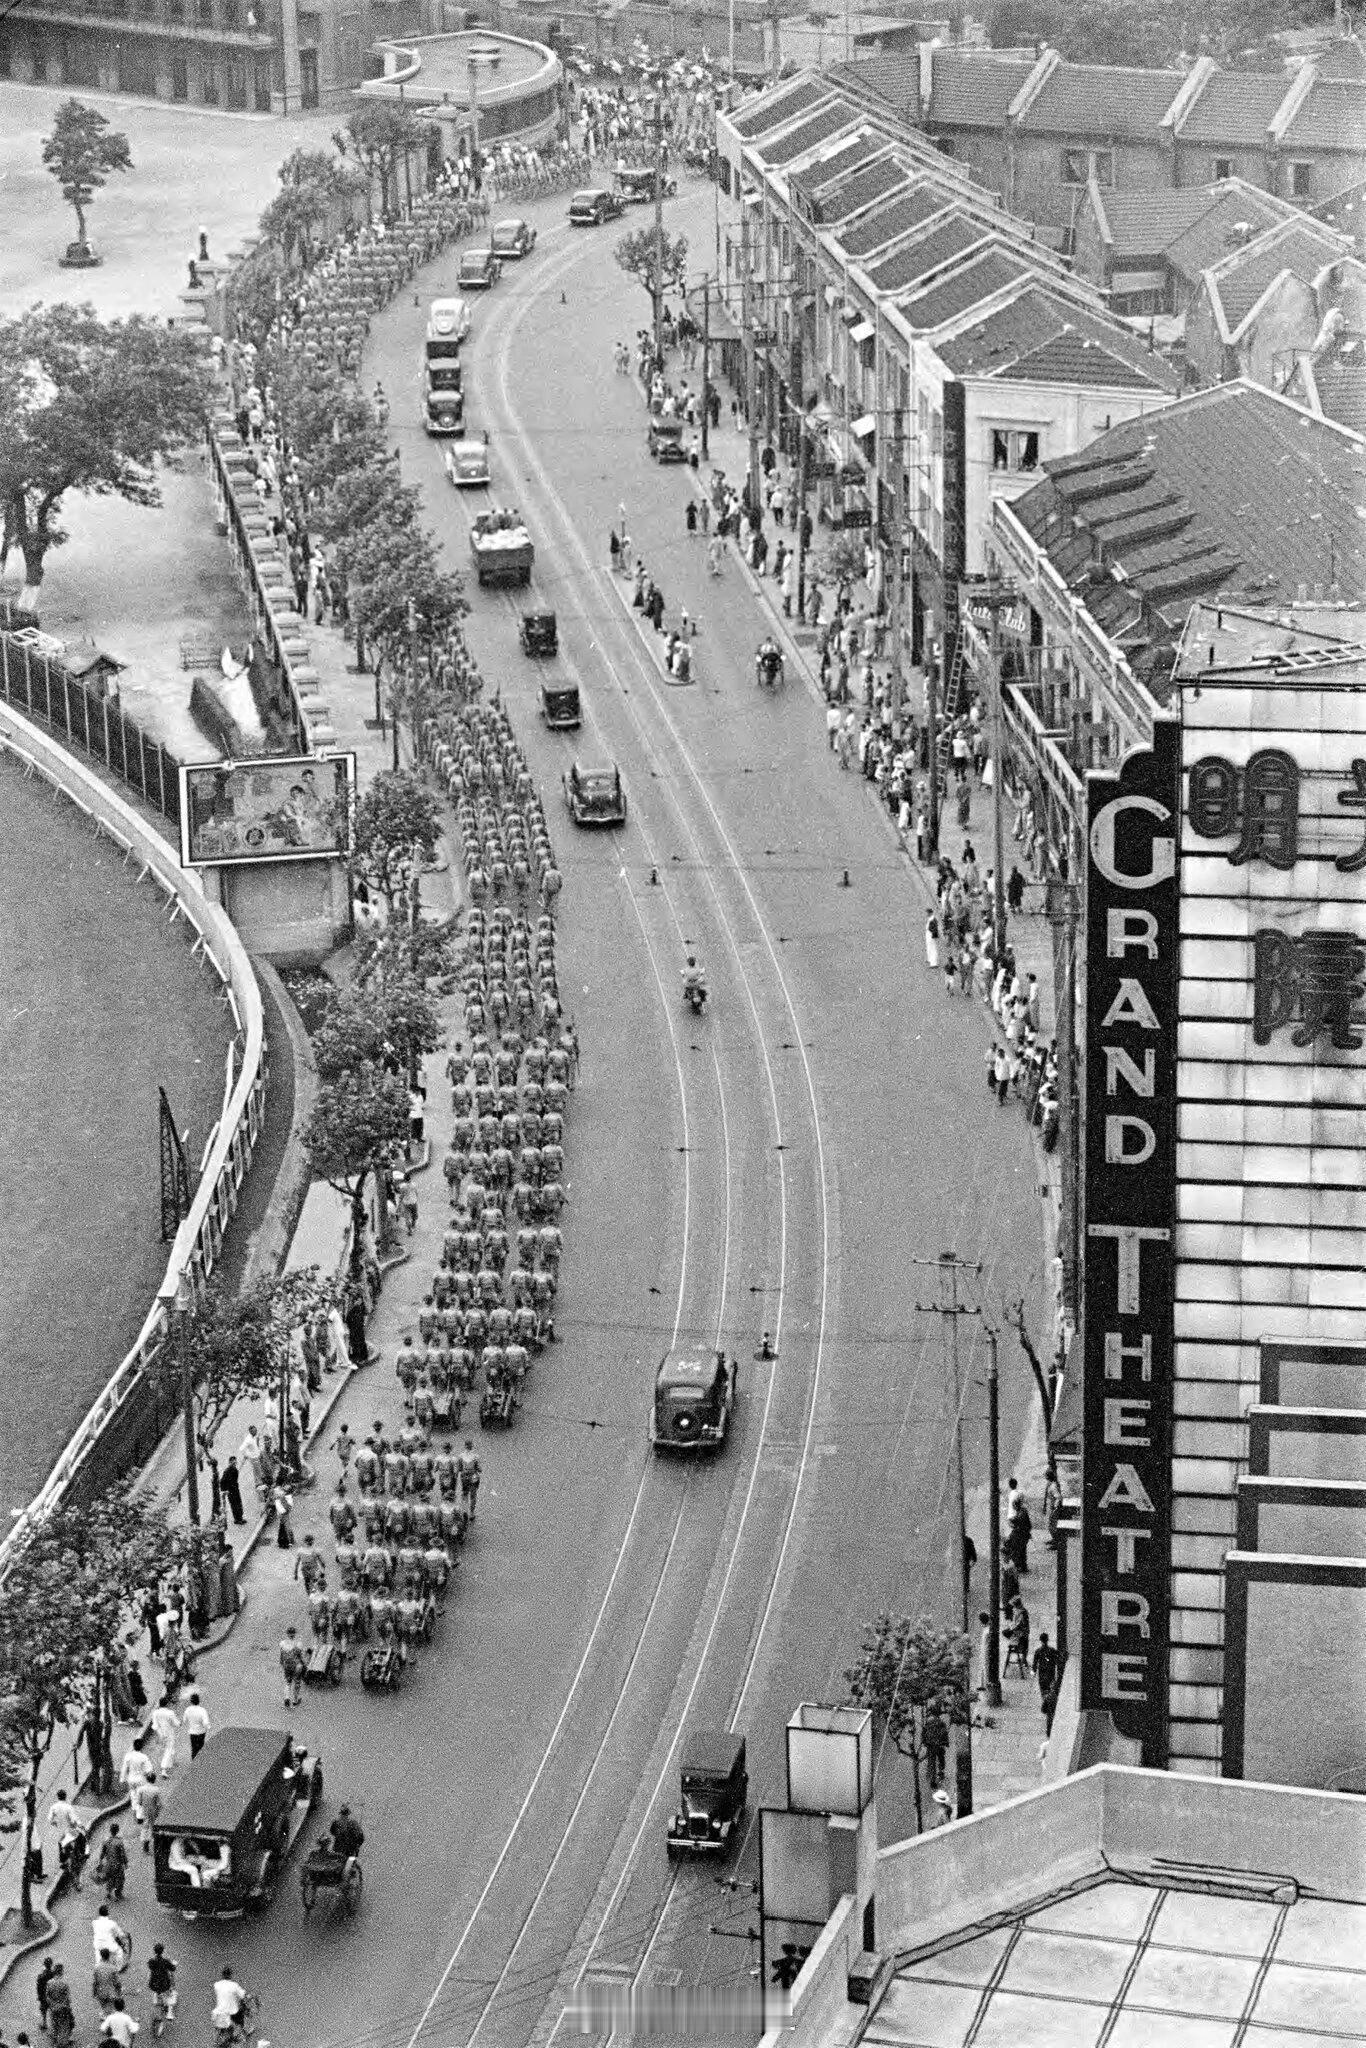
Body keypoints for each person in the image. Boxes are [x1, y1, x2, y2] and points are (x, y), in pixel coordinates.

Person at [146, 1947, 177, 2038]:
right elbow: (173, 1968)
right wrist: (174, 1964)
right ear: (162, 1951)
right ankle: (170, 2013)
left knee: (157, 1993)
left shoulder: (151, 1961)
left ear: (154, 1951)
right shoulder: (166, 1961)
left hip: (153, 1985)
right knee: (169, 1993)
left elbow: (151, 1968)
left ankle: (157, 1997)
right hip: (164, 1985)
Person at [211, 1969, 248, 2045]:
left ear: (222, 1975)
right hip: (232, 2011)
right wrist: (247, 1996)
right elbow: (243, 1995)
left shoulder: (217, 1985)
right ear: (230, 1975)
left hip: (219, 2011)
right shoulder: (234, 1985)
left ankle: (221, 2037)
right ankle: (243, 2030)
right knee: (240, 2017)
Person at [94, 1825, 128, 1901]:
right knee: (120, 1879)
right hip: (117, 1864)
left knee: (110, 1878)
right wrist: (125, 1863)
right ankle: (118, 1893)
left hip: (108, 1864)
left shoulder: (106, 1841)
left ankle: (108, 1893)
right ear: (117, 1831)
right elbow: (123, 1854)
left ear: (110, 1831)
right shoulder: (119, 1842)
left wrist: (100, 1862)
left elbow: (102, 1854)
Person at [151, 1694, 179, 1778]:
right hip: (169, 1733)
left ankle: (172, 1761)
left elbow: (155, 1725)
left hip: (160, 1733)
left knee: (165, 1748)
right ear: (167, 1704)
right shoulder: (170, 1713)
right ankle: (164, 1769)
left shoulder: (155, 1713)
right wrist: (179, 1723)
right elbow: (176, 1723)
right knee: (169, 1749)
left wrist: (158, 1733)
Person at [1032, 1631, 1059, 1710]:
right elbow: (1057, 1660)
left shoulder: (1038, 1651)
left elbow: (1034, 1664)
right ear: (1047, 1640)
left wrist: (1033, 1672)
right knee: (1050, 1688)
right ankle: (1049, 1702)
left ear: (1040, 1640)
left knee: (1043, 1689)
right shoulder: (1052, 1650)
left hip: (1042, 1673)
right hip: (1050, 1672)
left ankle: (1045, 1702)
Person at [280, 1627, 305, 1709]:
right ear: (294, 1634)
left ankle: (287, 1698)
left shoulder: (282, 1643)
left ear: (287, 1634)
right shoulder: (298, 1643)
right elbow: (300, 1656)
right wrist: (303, 1664)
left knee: (288, 1682)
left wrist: (282, 1664)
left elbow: (281, 1656)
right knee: (297, 1682)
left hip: (287, 1665)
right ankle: (295, 1700)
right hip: (296, 1665)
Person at [182, 1693, 211, 1759]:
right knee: (201, 1748)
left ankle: (194, 1763)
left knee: (194, 1749)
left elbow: (184, 1720)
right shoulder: (202, 1710)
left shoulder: (187, 1710)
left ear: (191, 1701)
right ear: (199, 1701)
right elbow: (205, 1723)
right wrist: (208, 1727)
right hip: (201, 1732)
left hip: (192, 1732)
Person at [220, 1457, 245, 1527]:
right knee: (234, 1505)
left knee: (239, 1503)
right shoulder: (227, 1471)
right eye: (233, 1463)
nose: (235, 1464)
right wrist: (224, 1491)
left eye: (235, 1462)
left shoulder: (235, 1470)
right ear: (230, 1462)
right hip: (230, 1490)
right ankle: (237, 1519)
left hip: (235, 1489)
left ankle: (240, 1517)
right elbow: (222, 1481)